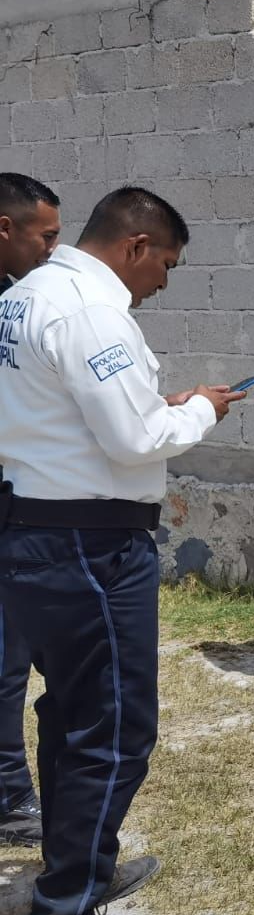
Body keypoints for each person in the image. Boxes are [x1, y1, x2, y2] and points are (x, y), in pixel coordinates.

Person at [0, 186, 244, 915]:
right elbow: (137, 438)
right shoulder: (89, 311)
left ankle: (82, 869)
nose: (165, 282)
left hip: (42, 526)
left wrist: (150, 411)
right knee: (111, 730)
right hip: (89, 545)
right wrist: (200, 411)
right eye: (166, 264)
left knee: (71, 715)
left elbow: (78, 416)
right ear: (137, 245)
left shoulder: (26, 297)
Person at [0, 173, 62, 850]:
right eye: (46, 235)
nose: (52, 248)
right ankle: (12, 797)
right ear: (5, 228)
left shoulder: (15, 303)